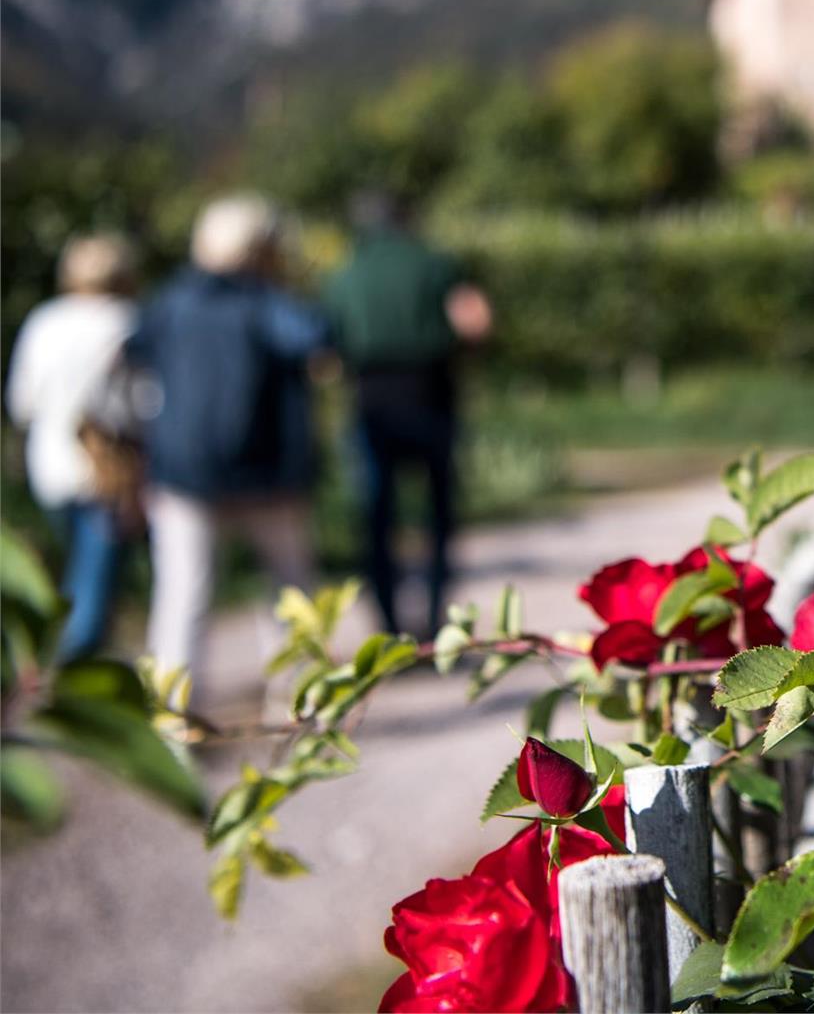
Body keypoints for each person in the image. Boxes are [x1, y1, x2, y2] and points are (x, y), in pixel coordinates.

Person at [128, 193, 329, 686]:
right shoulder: (264, 302)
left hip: (183, 472)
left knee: (182, 599)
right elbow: (315, 338)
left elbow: (133, 352)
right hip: (267, 474)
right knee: (291, 596)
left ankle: (174, 722)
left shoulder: (172, 300)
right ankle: (298, 709)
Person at [323, 192, 491, 637]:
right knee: (438, 512)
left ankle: (390, 624)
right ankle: (436, 622)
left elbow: (325, 349)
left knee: (378, 515)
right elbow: (475, 321)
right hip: (431, 393)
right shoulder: (435, 264)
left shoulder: (344, 274)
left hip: (370, 398)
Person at [4, 235, 141, 661]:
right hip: (105, 469)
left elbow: (21, 403)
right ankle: (60, 685)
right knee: (92, 592)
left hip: (49, 467)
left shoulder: (44, 321)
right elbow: (141, 404)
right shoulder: (125, 319)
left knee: (78, 578)